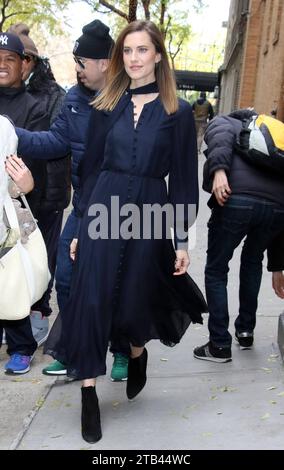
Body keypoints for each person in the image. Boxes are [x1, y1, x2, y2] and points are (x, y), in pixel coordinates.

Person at [43, 19, 207, 444]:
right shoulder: (107, 102)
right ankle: (88, 393)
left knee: (135, 296)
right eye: (127, 51)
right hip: (104, 207)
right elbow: (92, 167)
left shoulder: (178, 112)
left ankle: (136, 353)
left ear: (157, 56)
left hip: (150, 211)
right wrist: (81, 226)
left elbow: (185, 180)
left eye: (142, 50)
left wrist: (181, 240)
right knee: (91, 295)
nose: (134, 59)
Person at [15, 21, 129, 382]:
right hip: (82, 208)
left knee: (116, 284)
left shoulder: (130, 101)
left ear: (104, 64)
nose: (77, 69)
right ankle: (74, 346)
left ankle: (122, 350)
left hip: (118, 211)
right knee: (65, 279)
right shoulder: (74, 99)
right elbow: (54, 142)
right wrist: (11, 133)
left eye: (81, 62)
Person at [193, 109, 284, 363]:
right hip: (277, 208)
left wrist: (219, 171)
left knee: (216, 270)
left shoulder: (227, 121)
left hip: (236, 198)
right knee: (253, 260)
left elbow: (219, 137)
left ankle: (219, 345)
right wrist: (278, 266)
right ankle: (245, 331)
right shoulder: (272, 134)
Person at [8, 23, 71, 346]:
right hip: (18, 194)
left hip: (46, 193)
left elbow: (58, 146)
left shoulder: (53, 96)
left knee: (40, 257)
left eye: (20, 57)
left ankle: (38, 312)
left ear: (30, 61)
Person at [0, 32, 48, 374]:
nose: (2, 65)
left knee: (13, 276)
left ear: (24, 64)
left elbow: (36, 171)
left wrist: (25, 187)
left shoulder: (34, 108)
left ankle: (21, 345)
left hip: (11, 209)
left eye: (10, 58)